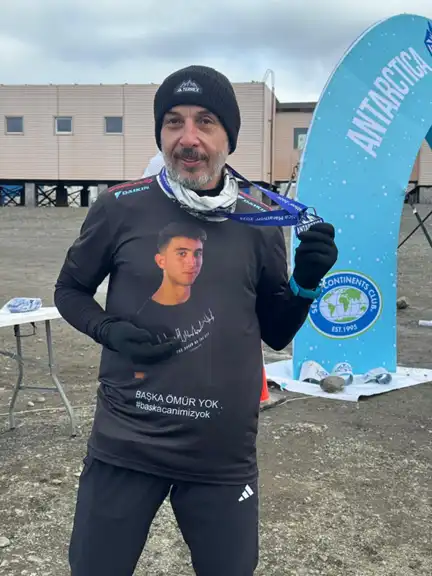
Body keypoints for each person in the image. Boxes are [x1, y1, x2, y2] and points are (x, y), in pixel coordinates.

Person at [54, 64, 338, 576]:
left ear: (229, 137)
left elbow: (276, 331)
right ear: (160, 134)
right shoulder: (120, 207)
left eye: (205, 121)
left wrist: (305, 281)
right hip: (127, 444)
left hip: (220, 455)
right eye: (174, 122)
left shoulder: (259, 218)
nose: (188, 138)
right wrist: (107, 329)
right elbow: (69, 290)